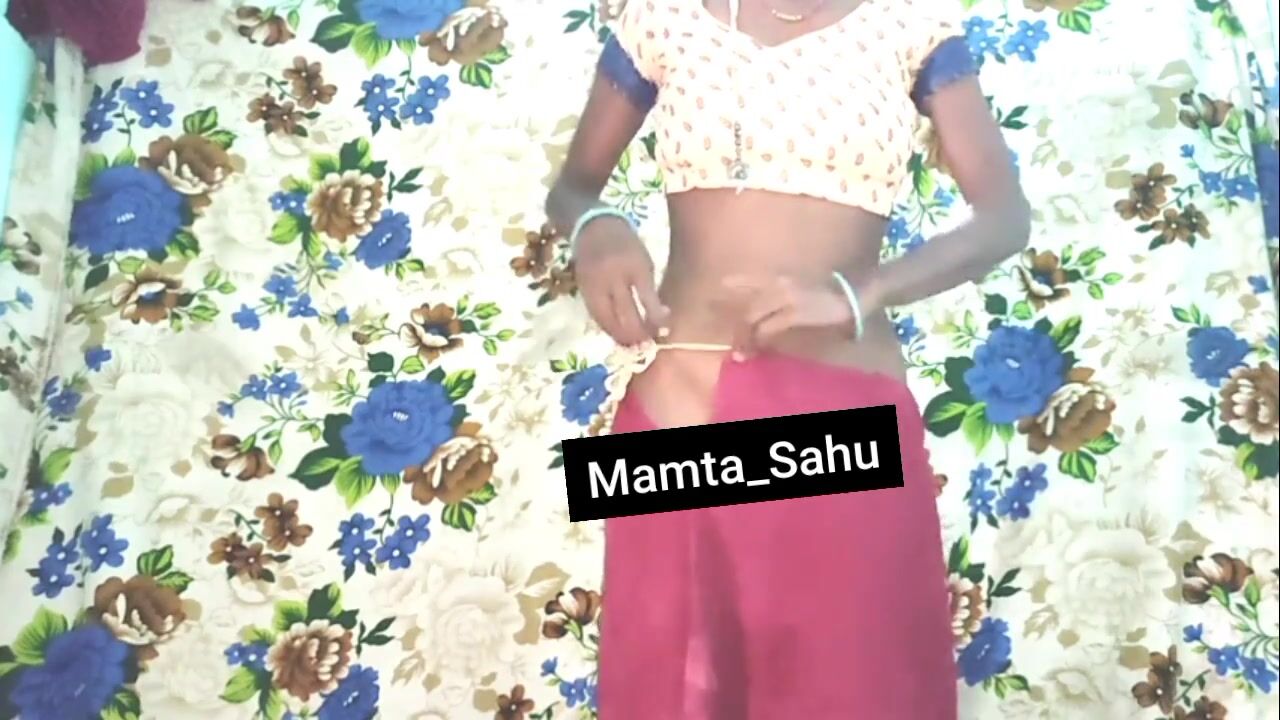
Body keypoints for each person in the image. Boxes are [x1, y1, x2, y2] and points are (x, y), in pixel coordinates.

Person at [546, 0, 1030, 717]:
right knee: (672, 692)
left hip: (845, 426)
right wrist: (596, 223)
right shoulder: (662, 16)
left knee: (854, 690)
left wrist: (859, 293)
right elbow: (572, 188)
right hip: (680, 413)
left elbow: (1005, 218)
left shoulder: (911, 25)